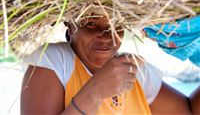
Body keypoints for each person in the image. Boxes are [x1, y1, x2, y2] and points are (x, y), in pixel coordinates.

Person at [21, 11, 200, 115]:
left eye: (115, 25)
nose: (106, 36)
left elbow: (188, 111)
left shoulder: (133, 70)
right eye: (91, 23)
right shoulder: (56, 60)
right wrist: (96, 91)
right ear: (70, 23)